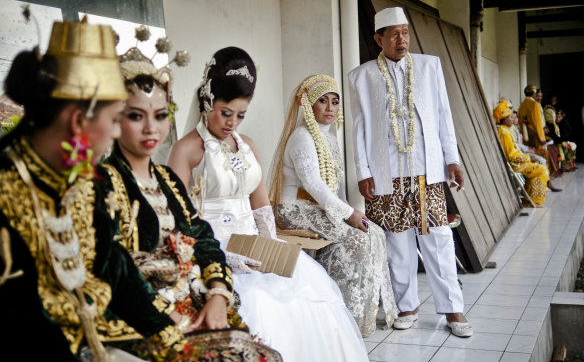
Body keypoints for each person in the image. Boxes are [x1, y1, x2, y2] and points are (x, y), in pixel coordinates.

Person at [0, 18, 192, 361]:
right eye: (117, 118)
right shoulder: (7, 189)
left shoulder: (84, 183)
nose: (117, 134)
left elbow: (112, 266)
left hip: (99, 337)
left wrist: (169, 335)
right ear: (78, 122)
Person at [168, 47, 369, 362]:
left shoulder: (247, 146)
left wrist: (271, 243)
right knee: (259, 303)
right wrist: (222, 254)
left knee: (302, 290)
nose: (232, 122)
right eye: (225, 112)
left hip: (255, 244)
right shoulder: (187, 149)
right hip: (214, 244)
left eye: (241, 115)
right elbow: (179, 219)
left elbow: (260, 204)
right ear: (207, 102)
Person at [96, 38, 281, 361]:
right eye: (136, 116)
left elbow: (202, 237)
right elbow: (115, 268)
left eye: (160, 114)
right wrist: (174, 319)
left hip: (193, 293)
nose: (152, 128)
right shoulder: (102, 185)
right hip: (141, 310)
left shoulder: (165, 180)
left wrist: (219, 294)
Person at [348, 7, 472, 338]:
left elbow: (444, 114)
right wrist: (362, 169)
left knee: (439, 238)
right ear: (379, 39)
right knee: (396, 242)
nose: (402, 39)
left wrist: (453, 159)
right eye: (394, 34)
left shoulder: (430, 66)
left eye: (405, 32)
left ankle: (453, 308)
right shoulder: (361, 77)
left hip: (426, 171)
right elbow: (358, 128)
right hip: (385, 172)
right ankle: (407, 306)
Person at [268, 74, 398, 336]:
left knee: (374, 233)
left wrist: (347, 212)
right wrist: (348, 214)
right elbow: (314, 184)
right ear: (308, 105)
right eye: (322, 101)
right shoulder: (302, 137)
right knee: (357, 237)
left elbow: (331, 188)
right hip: (292, 210)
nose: (329, 108)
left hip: (313, 209)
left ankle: (360, 313)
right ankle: (338, 316)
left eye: (335, 102)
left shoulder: (328, 137)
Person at [494, 101, 548, 207]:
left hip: (517, 162)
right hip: (515, 164)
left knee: (539, 166)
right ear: (504, 120)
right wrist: (527, 158)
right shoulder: (504, 133)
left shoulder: (504, 130)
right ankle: (532, 200)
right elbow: (511, 155)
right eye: (509, 118)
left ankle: (528, 198)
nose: (511, 119)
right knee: (541, 170)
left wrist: (526, 158)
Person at [518, 85, 562, 189]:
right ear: (533, 94)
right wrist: (542, 139)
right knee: (544, 156)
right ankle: (547, 183)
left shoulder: (522, 104)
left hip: (526, 137)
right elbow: (538, 123)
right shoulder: (534, 104)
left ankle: (543, 183)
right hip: (536, 137)